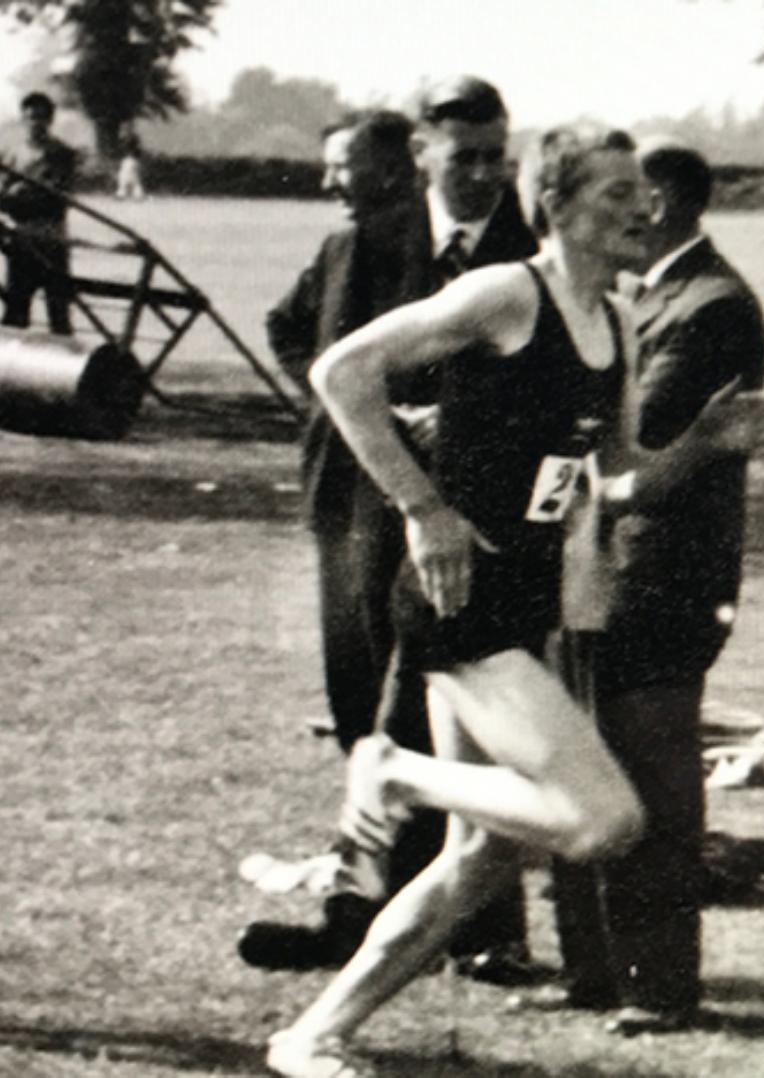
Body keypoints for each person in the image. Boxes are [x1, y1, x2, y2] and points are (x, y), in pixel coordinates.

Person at [258, 123, 654, 1078]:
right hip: (456, 597)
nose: (641, 209)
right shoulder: (506, 293)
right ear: (555, 203)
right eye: (616, 195)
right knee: (603, 820)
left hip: (522, 601)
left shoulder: (622, 319)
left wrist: (712, 441)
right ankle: (392, 772)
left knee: (477, 859)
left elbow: (616, 476)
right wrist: (421, 504)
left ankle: (312, 1037)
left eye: (641, 193)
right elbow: (339, 372)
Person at [243, 79, 540, 983]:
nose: (486, 174)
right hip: (362, 514)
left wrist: (469, 428)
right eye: (465, 157)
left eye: (498, 155)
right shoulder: (361, 247)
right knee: (361, 705)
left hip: (481, 524)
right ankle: (370, 912)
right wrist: (360, 419)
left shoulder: (533, 260)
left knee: (469, 720)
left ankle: (484, 930)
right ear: (423, 156)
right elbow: (296, 334)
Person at [533, 141, 764, 1037]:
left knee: (655, 785)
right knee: (582, 763)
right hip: (605, 564)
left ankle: (659, 986)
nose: (627, 213)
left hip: (661, 577)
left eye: (635, 196)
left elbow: (635, 440)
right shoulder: (642, 298)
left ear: (662, 201)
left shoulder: (710, 307)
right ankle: (592, 970)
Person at [0, 91, 78, 334]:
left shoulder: (61, 154)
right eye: (30, 117)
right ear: (23, 119)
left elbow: (56, 200)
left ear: (50, 120)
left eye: (41, 117)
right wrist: (19, 195)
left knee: (57, 311)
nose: (35, 123)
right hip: (21, 239)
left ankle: (66, 366)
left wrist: (19, 194)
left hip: (51, 239)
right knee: (16, 309)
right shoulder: (15, 153)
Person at [114, 128, 146, 201]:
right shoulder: (137, 150)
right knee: (135, 180)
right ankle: (138, 195)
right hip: (134, 162)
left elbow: (120, 154)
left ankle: (121, 194)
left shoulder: (124, 148)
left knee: (123, 179)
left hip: (126, 162)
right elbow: (139, 156)